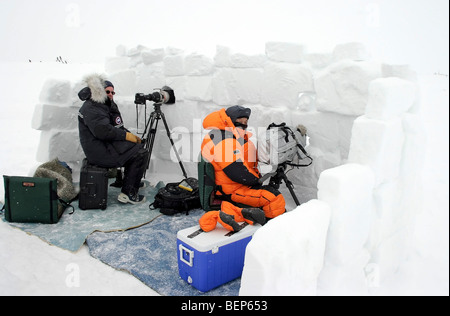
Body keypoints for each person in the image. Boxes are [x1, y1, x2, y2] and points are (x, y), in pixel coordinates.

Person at [199, 105, 286, 232]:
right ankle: (273, 232)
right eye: (240, 122)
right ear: (229, 120)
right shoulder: (225, 141)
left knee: (268, 191)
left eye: (245, 122)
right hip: (232, 190)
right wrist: (257, 181)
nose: (243, 125)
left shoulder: (224, 135)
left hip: (234, 185)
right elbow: (237, 172)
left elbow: (243, 161)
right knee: (273, 197)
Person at [78, 74, 148, 204]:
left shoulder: (105, 104)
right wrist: (126, 136)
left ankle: (130, 182)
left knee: (138, 147)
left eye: (112, 92)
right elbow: (103, 131)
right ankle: (128, 193)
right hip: (98, 151)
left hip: (104, 145)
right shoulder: (92, 108)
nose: (110, 94)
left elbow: (117, 126)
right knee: (140, 154)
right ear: (99, 91)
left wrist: (131, 137)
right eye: (107, 91)